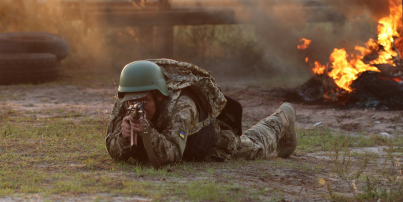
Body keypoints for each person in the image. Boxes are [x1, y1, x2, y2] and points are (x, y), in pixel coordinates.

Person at [105, 59, 297, 166]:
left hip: (212, 144)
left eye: (145, 100)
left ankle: (282, 118)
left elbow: (171, 155)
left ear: (159, 96)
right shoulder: (126, 101)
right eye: (132, 100)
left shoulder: (183, 106)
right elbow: (113, 149)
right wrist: (123, 137)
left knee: (256, 147)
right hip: (176, 144)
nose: (138, 106)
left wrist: (147, 130)